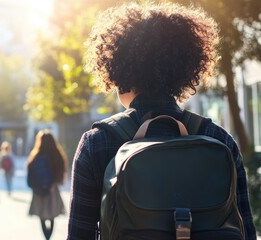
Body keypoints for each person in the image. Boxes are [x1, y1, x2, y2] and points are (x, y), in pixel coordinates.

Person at [67, 2, 256, 240]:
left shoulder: (97, 143)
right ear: (185, 70)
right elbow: (246, 231)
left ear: (118, 72)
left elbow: (78, 234)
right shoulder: (218, 139)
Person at [26, 130, 67, 240]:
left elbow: (30, 174)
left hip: (38, 191)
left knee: (42, 216)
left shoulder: (35, 156)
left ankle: (46, 237)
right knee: (52, 216)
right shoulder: (56, 155)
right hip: (52, 190)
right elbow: (61, 173)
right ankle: (49, 237)